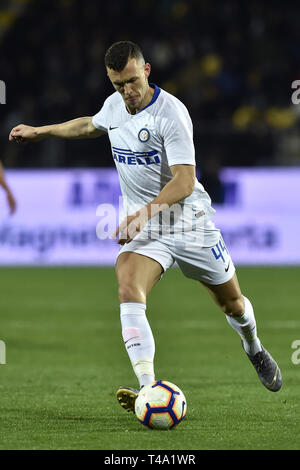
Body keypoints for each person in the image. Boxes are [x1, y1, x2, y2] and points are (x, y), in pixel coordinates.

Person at [9, 41, 282, 414]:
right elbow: (89, 125)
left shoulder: (171, 114)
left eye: (133, 82)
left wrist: (140, 215)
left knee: (232, 304)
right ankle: (148, 387)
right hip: (150, 230)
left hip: (190, 223)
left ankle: (254, 348)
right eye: (118, 84)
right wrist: (41, 131)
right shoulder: (115, 105)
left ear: (147, 70)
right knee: (127, 283)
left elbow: (185, 181)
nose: (127, 92)